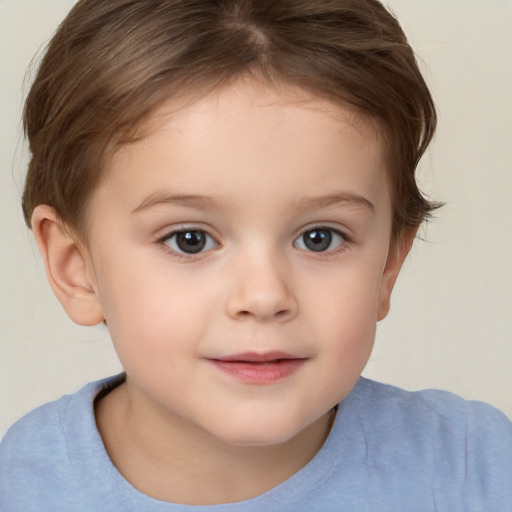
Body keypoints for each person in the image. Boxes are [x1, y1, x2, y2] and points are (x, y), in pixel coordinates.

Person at [0, 0, 511, 510]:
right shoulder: (20, 488)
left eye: (320, 237)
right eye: (189, 240)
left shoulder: (476, 469)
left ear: (387, 266)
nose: (264, 297)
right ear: (77, 268)